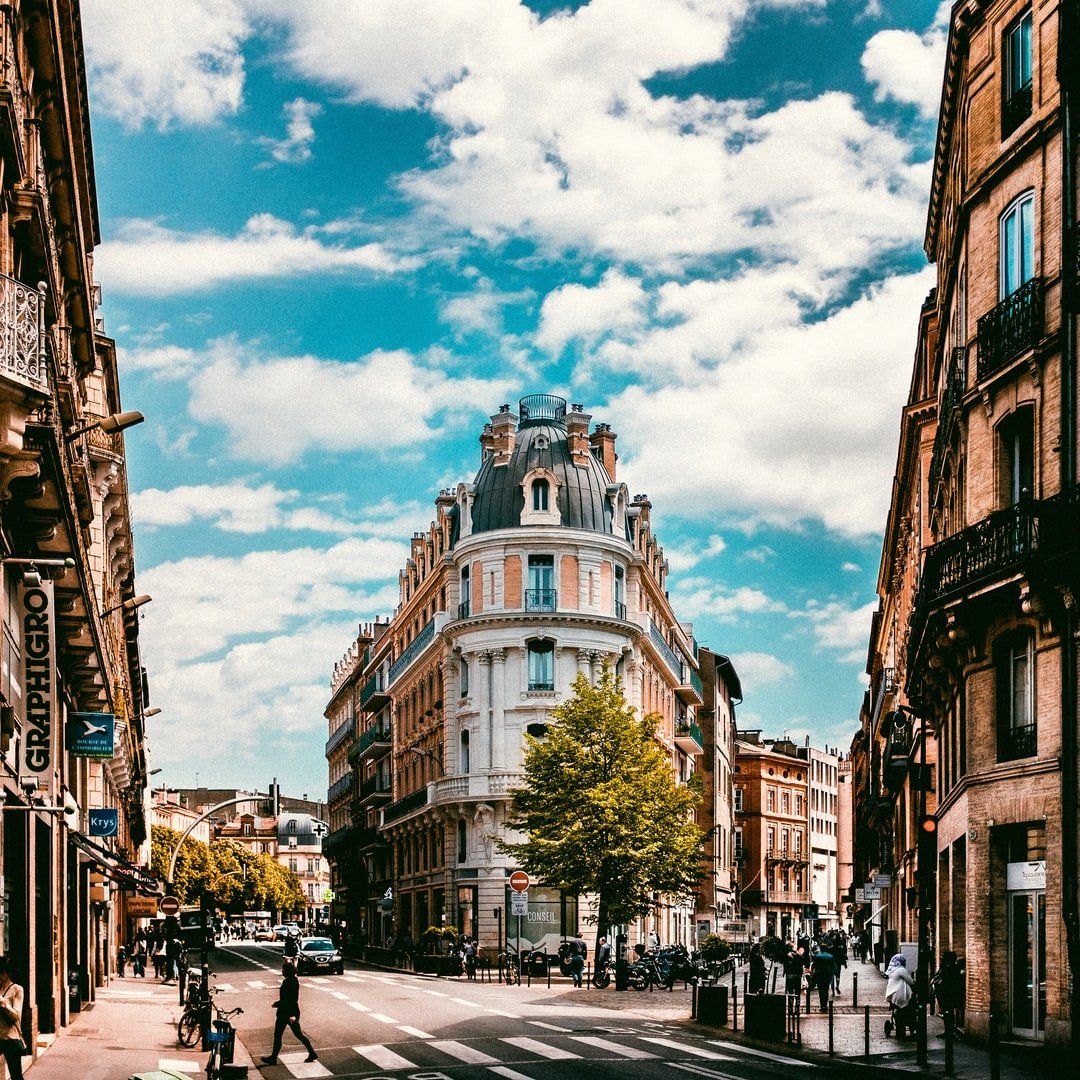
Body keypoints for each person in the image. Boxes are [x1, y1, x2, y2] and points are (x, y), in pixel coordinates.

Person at [261, 961, 317, 1065]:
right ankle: (274, 1057)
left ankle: (273, 1058)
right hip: (285, 1012)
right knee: (286, 1035)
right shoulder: (291, 980)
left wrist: (292, 1015)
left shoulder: (290, 982)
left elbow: (292, 999)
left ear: (288, 971)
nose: (282, 971)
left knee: (293, 1035)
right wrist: (278, 1003)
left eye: (283, 970)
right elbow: (286, 998)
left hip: (287, 1013)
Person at [0, 957, 25, 1080]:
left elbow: (16, 1015)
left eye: (1, 973)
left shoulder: (17, 989)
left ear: (7, 973)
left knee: (16, 1076)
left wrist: (4, 1004)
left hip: (10, 1039)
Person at [884, 954, 916, 1038]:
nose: (905, 964)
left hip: (891, 994)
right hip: (900, 995)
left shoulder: (891, 969)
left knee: (897, 1011)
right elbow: (910, 981)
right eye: (904, 962)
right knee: (906, 1010)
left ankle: (899, 1030)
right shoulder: (901, 970)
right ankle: (905, 1028)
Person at [932, 951, 963, 1030]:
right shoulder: (946, 967)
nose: (942, 958)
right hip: (944, 994)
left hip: (947, 994)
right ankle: (948, 1030)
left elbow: (946, 980)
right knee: (947, 1013)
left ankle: (949, 1031)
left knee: (948, 1013)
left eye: (943, 957)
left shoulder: (951, 968)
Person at [810, 947, 833, 1011]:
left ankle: (822, 1005)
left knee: (821, 991)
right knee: (826, 990)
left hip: (819, 975)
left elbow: (814, 965)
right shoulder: (830, 956)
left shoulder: (817, 956)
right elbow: (833, 966)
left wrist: (811, 971)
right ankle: (825, 1005)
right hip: (827, 975)